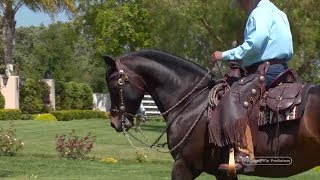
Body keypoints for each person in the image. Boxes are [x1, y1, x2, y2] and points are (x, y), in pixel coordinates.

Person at [210, 0, 293, 173]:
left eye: (241, 3)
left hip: (264, 69)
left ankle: (245, 155)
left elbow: (253, 46)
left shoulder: (259, 13)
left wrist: (224, 55)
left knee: (233, 98)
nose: (241, 6)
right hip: (281, 68)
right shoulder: (279, 13)